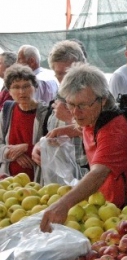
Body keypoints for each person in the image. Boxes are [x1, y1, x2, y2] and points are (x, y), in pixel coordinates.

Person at [39, 63, 127, 233]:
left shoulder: (115, 130)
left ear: (102, 100)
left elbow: (98, 174)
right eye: (71, 104)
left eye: (82, 105)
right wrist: (65, 131)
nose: (75, 112)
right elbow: (86, 129)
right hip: (112, 205)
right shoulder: (94, 118)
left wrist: (63, 204)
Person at [0, 64, 49, 260]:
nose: (21, 91)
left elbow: (51, 145)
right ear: (8, 90)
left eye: (26, 86)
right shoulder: (6, 111)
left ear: (35, 86)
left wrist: (32, 150)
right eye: (15, 87)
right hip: (11, 191)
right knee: (11, 247)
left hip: (40, 188)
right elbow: (0, 146)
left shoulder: (45, 112)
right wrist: (13, 150)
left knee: (34, 247)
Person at [31, 40, 90, 184]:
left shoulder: (98, 96)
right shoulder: (59, 96)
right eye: (59, 74)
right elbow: (53, 132)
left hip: (86, 178)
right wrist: (41, 146)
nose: (65, 80)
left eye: (69, 74)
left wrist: (71, 120)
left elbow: (106, 136)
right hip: (59, 177)